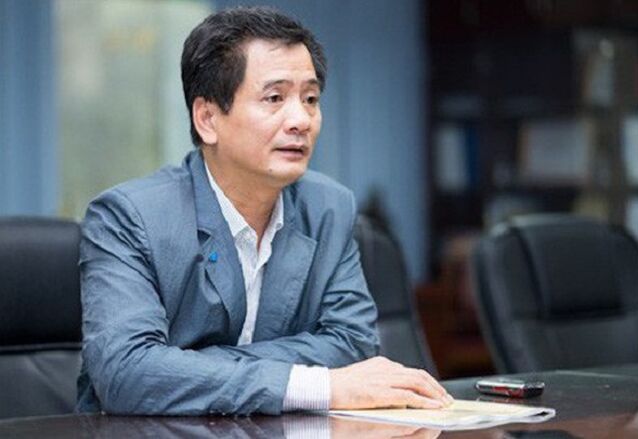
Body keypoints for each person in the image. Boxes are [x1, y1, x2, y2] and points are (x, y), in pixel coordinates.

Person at [77, 6, 452, 415]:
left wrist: (188, 365)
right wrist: (314, 385)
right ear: (207, 119)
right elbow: (127, 373)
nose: (301, 120)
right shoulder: (128, 218)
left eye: (310, 99)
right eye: (274, 98)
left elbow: (354, 344)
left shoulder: (328, 209)